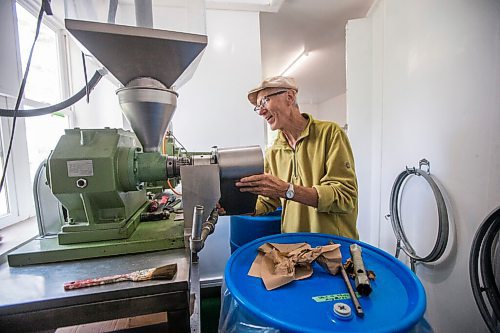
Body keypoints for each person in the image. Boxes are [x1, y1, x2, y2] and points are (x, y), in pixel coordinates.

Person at [235, 76, 359, 239]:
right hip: (293, 247)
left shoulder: (330, 134)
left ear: (290, 97)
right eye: (258, 107)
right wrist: (234, 205)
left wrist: (288, 190)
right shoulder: (274, 151)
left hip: (334, 246)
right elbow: (267, 201)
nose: (261, 111)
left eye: (264, 101)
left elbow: (345, 196)